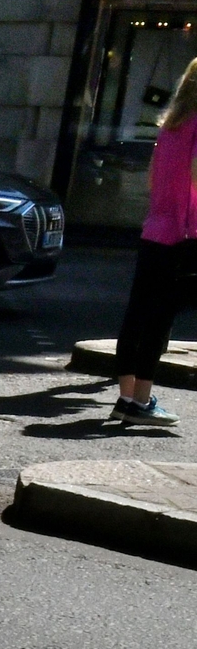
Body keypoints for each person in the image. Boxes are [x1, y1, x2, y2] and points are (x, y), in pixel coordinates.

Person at [112, 56, 197, 429]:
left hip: (154, 230)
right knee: (160, 320)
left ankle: (126, 398)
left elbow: (151, 180)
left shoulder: (169, 127)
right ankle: (143, 401)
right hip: (184, 233)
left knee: (138, 314)